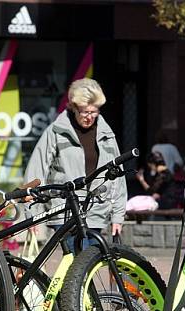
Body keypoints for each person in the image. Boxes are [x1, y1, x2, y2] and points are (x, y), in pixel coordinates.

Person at [24, 78, 126, 249]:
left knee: (88, 266)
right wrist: (31, 214)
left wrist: (118, 216)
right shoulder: (56, 132)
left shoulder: (107, 135)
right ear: (73, 107)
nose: (89, 117)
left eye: (94, 112)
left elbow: (117, 177)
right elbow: (37, 170)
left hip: (96, 211)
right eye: (84, 112)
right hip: (65, 211)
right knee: (77, 265)